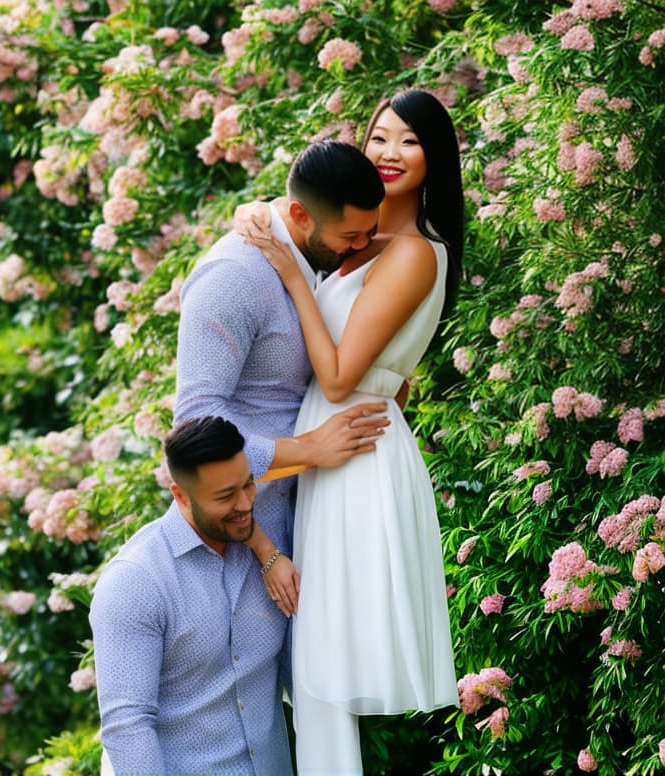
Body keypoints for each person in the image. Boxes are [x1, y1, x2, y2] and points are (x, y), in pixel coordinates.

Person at [237, 89, 463, 774]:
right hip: (329, 440)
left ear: (435, 159)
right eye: (380, 138)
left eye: (410, 142)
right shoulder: (359, 237)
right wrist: (262, 212)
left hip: (353, 448)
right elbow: (291, 216)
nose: (390, 154)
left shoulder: (417, 252)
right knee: (309, 662)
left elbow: (338, 378)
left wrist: (287, 271)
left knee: (322, 662)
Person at [175, 140, 393, 616]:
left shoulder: (312, 252)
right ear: (299, 213)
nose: (360, 247)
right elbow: (195, 423)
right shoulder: (232, 277)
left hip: (311, 520)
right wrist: (309, 450)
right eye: (350, 235)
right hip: (248, 538)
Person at [89, 416, 293, 775]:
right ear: (180, 495)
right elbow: (128, 726)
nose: (246, 504)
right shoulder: (135, 582)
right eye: (226, 496)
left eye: (248, 485)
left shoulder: (265, 552)